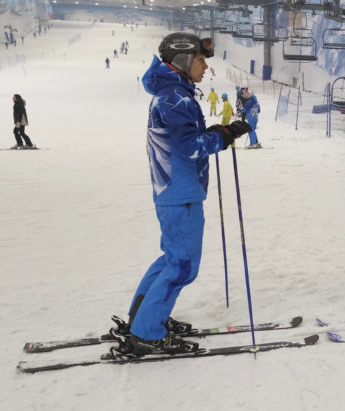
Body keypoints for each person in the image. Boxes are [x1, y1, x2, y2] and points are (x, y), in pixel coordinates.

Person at [122, 32, 251, 356]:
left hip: (175, 190)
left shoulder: (174, 94)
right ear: (182, 60)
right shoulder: (174, 98)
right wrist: (222, 136)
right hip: (180, 192)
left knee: (171, 259)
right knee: (181, 266)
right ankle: (146, 333)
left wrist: (218, 132)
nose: (206, 67)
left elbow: (185, 139)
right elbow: (191, 147)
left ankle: (143, 318)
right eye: (201, 59)